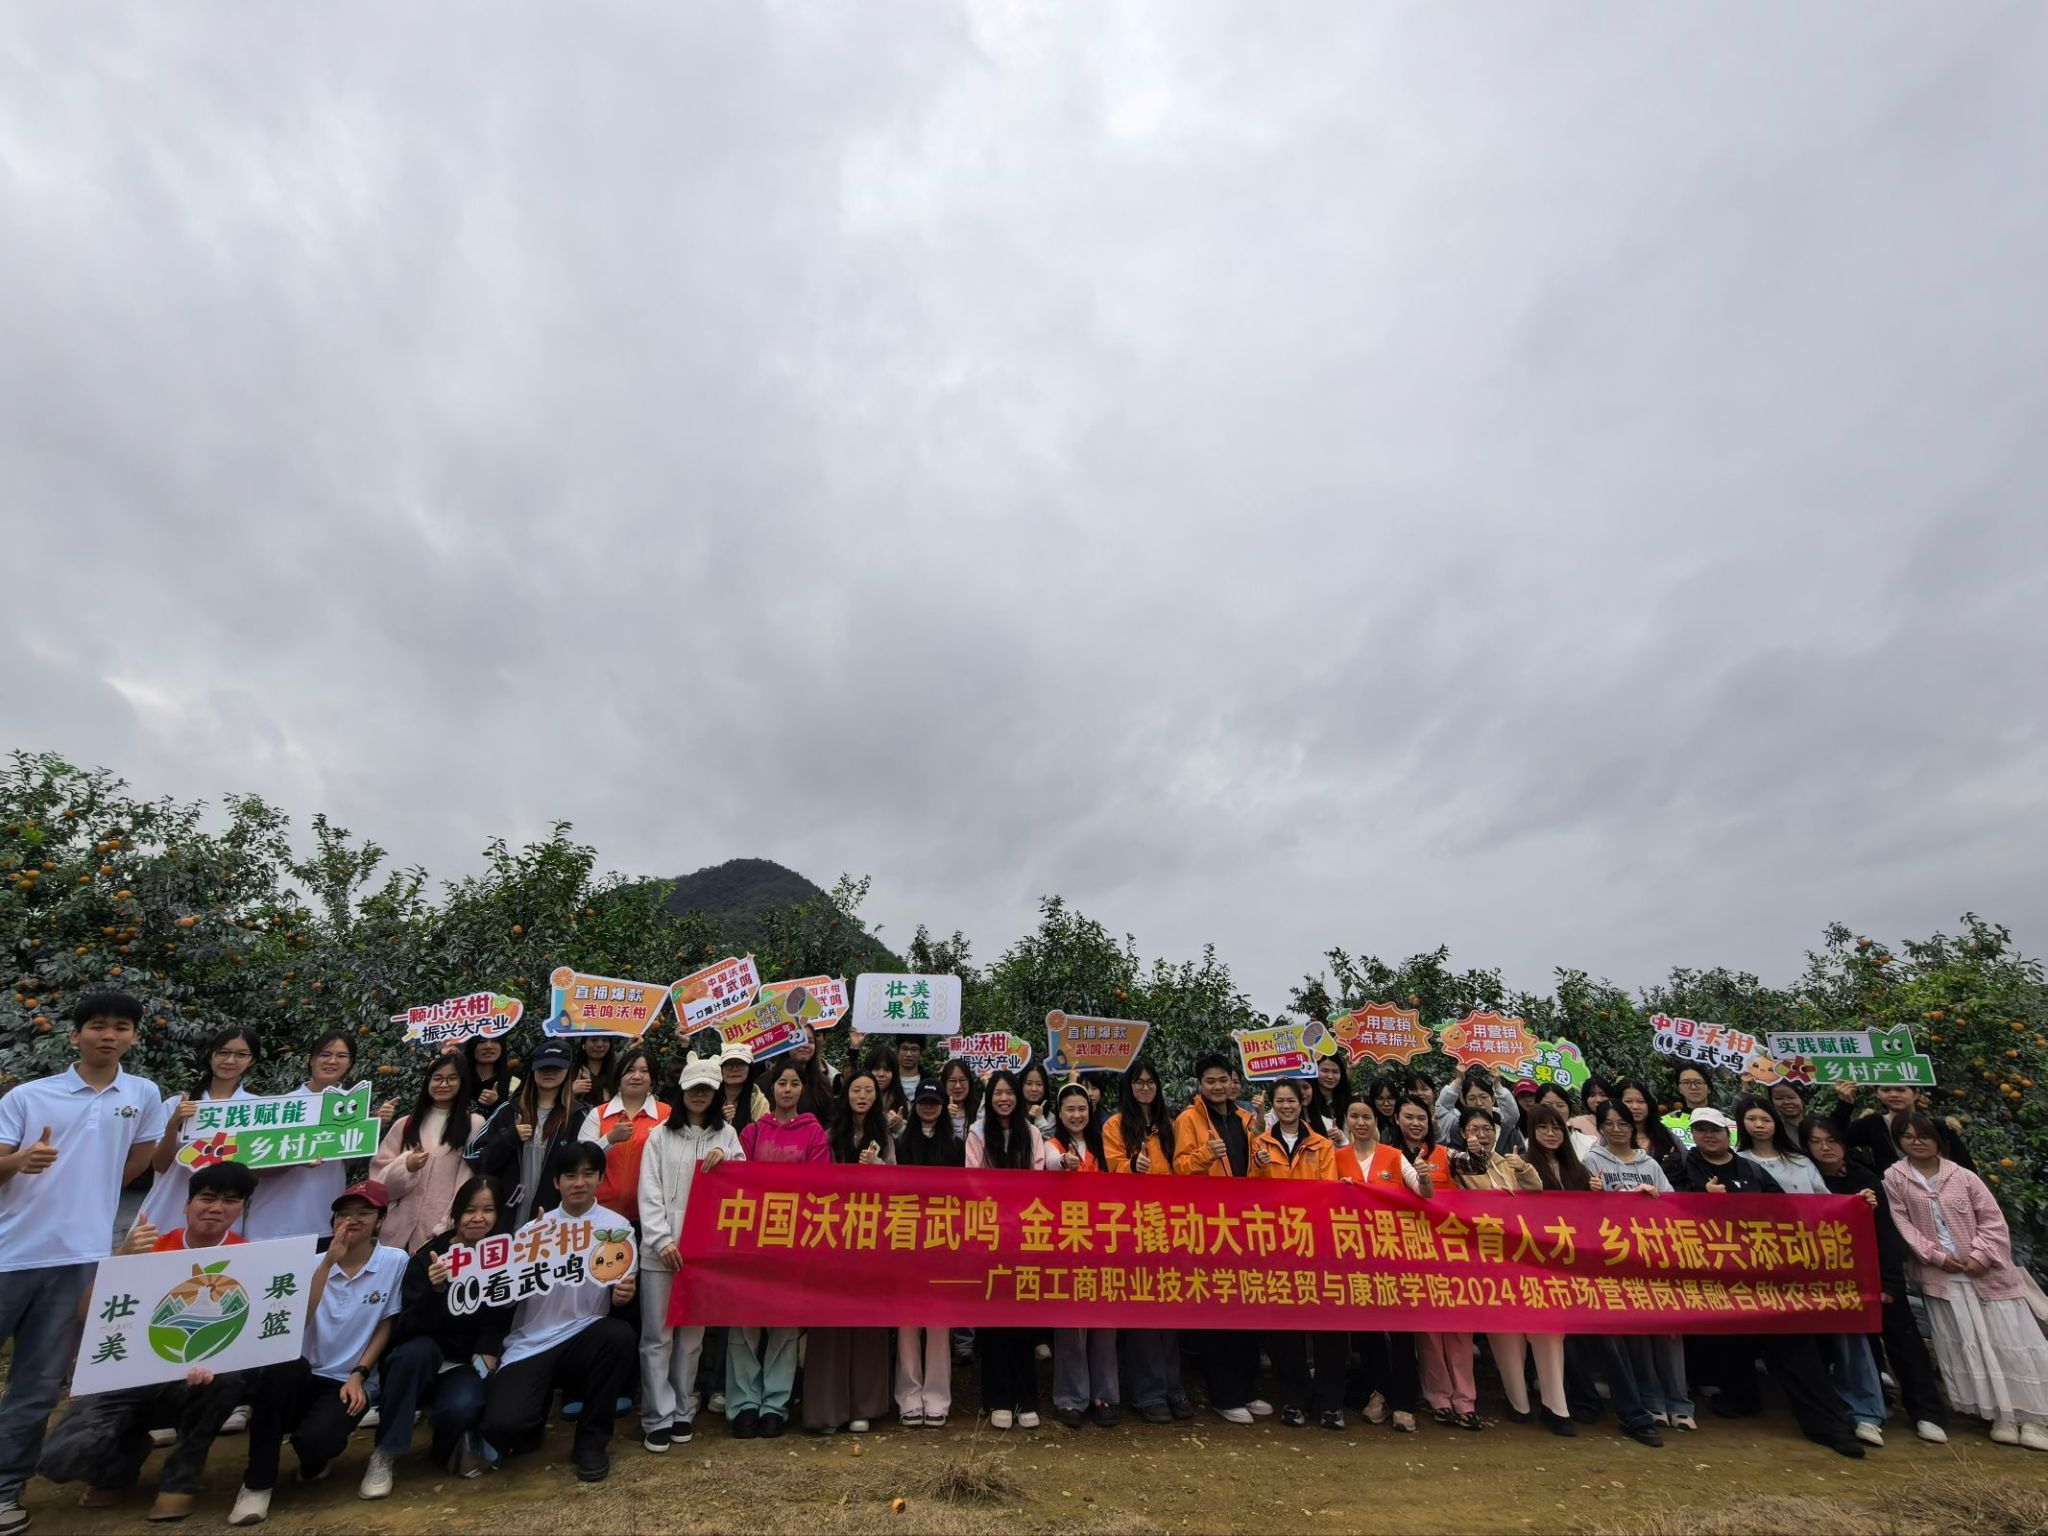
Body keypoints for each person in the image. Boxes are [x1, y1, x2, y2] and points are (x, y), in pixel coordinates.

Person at [0, 990, 169, 1536]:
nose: (108, 1035)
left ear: (133, 1037)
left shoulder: (142, 1094)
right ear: (75, 1034)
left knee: (37, 1384)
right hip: (9, 1254)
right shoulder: (29, 1097)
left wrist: (86, 1186)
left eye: (121, 1027)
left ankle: (4, 1490)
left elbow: (137, 1162)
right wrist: (18, 1161)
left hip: (81, 1258)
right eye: (97, 1025)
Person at [37, 1161, 257, 1522]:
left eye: (231, 1201)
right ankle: (124, 1455)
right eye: (207, 1198)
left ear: (242, 1209)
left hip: (191, 1381)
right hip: (125, 1378)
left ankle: (180, 1481)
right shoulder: (150, 1247)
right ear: (186, 1205)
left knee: (226, 1381)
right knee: (60, 1460)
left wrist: (215, 1361)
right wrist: (121, 1260)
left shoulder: (250, 1258)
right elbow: (86, 1313)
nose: (217, 1208)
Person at [1668, 1108, 1864, 1458]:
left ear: (1727, 1132)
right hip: (1711, 1276)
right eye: (1700, 1129)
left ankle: (1829, 1425)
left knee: (1793, 1346)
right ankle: (1740, 1400)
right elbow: (1664, 1210)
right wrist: (1700, 1199)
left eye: (1715, 1129)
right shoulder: (1681, 1166)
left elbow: (1786, 1213)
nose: (1708, 1135)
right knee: (1732, 1348)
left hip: (1764, 1273)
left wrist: (1855, 1206)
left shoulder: (1751, 1168)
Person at [228, 1181, 408, 1525]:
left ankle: (314, 1460)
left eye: (364, 1213)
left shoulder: (395, 1261)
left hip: (346, 1379)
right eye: (344, 1213)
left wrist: (360, 1373)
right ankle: (257, 1484)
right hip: (301, 1372)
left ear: (380, 1221)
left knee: (316, 1441)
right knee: (280, 1372)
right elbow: (299, 1319)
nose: (352, 1220)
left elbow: (386, 1323)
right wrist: (327, 1264)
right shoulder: (310, 1263)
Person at [1884, 1113, 2048, 1451]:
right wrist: (1936, 1256)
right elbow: (1903, 1225)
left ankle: (2033, 1418)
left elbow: (1992, 1220)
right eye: (1908, 1136)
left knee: (2009, 1341)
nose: (1917, 1142)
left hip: (1987, 1275)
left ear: (1938, 1140)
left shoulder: (1963, 1176)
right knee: (1970, 1344)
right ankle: (2000, 1416)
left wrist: (1980, 1256)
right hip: (1943, 1277)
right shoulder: (1894, 1179)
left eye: (1924, 1135)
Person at [476, 1144, 638, 1482]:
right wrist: (531, 1251)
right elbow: (506, 1299)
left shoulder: (617, 1228)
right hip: (531, 1343)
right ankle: (532, 1416)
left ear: (600, 1178)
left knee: (619, 1336)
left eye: (588, 1174)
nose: (579, 1182)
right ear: (556, 1182)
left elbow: (620, 1289)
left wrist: (623, 1295)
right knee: (505, 1427)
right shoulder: (533, 1231)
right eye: (570, 1175)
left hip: (584, 1336)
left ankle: (591, 1442)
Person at [1801, 1116, 1948, 1445]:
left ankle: (1926, 1412)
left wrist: (1889, 1282)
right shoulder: (1805, 1181)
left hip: (1878, 1275)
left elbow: (1886, 1233)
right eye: (1816, 1142)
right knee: (1855, 1348)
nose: (1825, 1148)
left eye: (1832, 1140)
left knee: (1903, 1341)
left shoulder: (1866, 1178)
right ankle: (1868, 1409)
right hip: (1834, 1281)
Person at [362, 1176, 513, 1496]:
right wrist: (435, 1290)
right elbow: (406, 1326)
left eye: (488, 1210)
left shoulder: (501, 1256)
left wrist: (487, 1349)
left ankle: (445, 1443)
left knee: (462, 1407)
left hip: (463, 1362)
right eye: (470, 1210)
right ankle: (385, 1452)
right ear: (456, 1213)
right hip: (421, 1357)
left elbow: (500, 1317)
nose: (478, 1218)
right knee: (414, 1353)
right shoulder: (428, 1257)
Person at [1448, 1106, 1572, 1435]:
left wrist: (1524, 1169)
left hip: (1527, 1259)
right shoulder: (1457, 1162)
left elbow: (1536, 1192)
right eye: (1474, 1129)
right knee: (1504, 1332)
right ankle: (1518, 1403)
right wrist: (1474, 1155)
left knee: (1547, 1328)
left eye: (1487, 1129)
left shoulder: (1509, 1161)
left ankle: (1556, 1407)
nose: (1482, 1134)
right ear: (1463, 1133)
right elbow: (1458, 1188)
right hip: (1488, 1262)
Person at [728, 1060, 826, 1437]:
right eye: (781, 1083)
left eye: (794, 1083)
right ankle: (744, 1402)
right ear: (771, 1089)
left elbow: (819, 1185)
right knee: (745, 1322)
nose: (787, 1089)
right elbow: (738, 1181)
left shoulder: (814, 1133)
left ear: (803, 1089)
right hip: (752, 1239)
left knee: (784, 1325)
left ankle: (775, 1403)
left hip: (793, 1239)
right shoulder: (752, 1132)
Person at [1173, 1053, 1269, 1425]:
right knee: (1218, 1310)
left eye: (1223, 1080)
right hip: (1210, 1226)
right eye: (1210, 1081)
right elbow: (1180, 1168)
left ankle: (1248, 1389)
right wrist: (1204, 1155)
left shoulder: (1246, 1119)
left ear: (1232, 1081)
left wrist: (1261, 1162)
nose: (1217, 1086)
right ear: (1200, 1084)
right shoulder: (1188, 1119)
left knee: (1248, 1307)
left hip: (1246, 1223)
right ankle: (1224, 1395)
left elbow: (1256, 1169)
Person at [1099, 1058, 1189, 1424]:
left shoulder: (1170, 1124)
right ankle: (1148, 1393)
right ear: (1129, 1086)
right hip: (1134, 1226)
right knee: (1142, 1312)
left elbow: (1183, 1167)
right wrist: (1131, 1166)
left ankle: (1173, 1388)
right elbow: (1112, 1167)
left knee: (1170, 1310)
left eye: (1150, 1081)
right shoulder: (1115, 1125)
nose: (1145, 1087)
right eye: (1138, 1082)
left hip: (1170, 1225)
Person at [1251, 1081, 1344, 1430]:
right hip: (1276, 1245)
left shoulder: (1321, 1144)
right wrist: (1259, 1166)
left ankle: (1331, 1403)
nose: (1286, 1106)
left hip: (1316, 1243)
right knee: (1285, 1328)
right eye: (1280, 1101)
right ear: (1272, 1105)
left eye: (1291, 1100)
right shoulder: (1260, 1144)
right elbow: (1250, 1193)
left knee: (1327, 1327)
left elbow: (1328, 1190)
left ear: (1302, 1102)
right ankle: (1294, 1400)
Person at [805, 1074, 894, 1434]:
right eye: (856, 1090)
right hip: (833, 1234)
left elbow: (898, 1184)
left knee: (868, 1319)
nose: (862, 1096)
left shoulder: (884, 1136)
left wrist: (878, 1167)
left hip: (872, 1237)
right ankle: (829, 1408)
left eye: (869, 1091)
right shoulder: (829, 1135)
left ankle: (864, 1406)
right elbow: (816, 1181)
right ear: (846, 1096)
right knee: (831, 1320)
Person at [1331, 1098, 1426, 1433]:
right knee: (1368, 1330)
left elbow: (1422, 1191)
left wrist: (1425, 1179)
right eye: (1354, 1116)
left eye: (1367, 1117)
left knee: (1401, 1331)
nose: (1360, 1122)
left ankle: (1405, 1402)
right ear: (1346, 1120)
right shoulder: (1336, 1157)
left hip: (1393, 1253)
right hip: (1354, 1256)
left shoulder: (1394, 1156)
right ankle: (1379, 1394)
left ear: (1376, 1121)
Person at [244, 1032, 389, 1242]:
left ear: (350, 1063)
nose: (332, 1061)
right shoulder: (283, 1107)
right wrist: (296, 1158)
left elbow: (349, 1160)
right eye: (325, 1054)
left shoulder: (351, 1106)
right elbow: (254, 1168)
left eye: (341, 1056)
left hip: (323, 1222)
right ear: (311, 1059)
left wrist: (373, 1128)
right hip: (272, 1224)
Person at [967, 1069, 1045, 1429]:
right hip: (991, 1235)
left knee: (1022, 1317)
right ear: (989, 1097)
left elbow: (1038, 1176)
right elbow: (973, 1180)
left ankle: (1025, 1397)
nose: (1004, 1098)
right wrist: (1000, 1213)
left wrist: (1018, 1213)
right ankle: (997, 1398)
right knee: (995, 1317)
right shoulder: (977, 1133)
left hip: (1025, 1234)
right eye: (997, 1093)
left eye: (1009, 1092)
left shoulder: (1032, 1134)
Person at [1042, 1084, 1119, 1430]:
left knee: (1104, 1324)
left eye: (1082, 1109)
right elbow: (1050, 1165)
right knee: (1071, 1325)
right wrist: (1064, 1164)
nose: (1076, 1115)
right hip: (1068, 1245)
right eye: (1070, 1109)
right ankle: (1071, 1397)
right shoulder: (1053, 1146)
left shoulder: (1104, 1146)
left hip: (1103, 1242)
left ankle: (1105, 1394)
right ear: (1059, 1114)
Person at [138, 1025, 260, 1236]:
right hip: (170, 1207)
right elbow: (159, 1165)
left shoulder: (257, 1109)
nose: (230, 1060)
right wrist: (173, 1124)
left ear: (252, 1060)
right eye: (223, 1052)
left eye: (241, 1055)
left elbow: (259, 1166)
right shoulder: (178, 1104)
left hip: (222, 1213)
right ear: (211, 1054)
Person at [893, 1081, 962, 1427]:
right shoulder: (901, 1143)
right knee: (907, 1323)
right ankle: (909, 1397)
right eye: (923, 1101)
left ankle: (937, 1398)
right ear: (915, 1104)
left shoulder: (956, 1145)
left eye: (934, 1101)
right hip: (906, 1239)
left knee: (938, 1324)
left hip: (944, 1241)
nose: (929, 1107)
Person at [369, 1054, 484, 1252]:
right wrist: (406, 1166)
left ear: (462, 1082)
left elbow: (467, 1181)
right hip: (393, 1236)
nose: (443, 1084)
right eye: (437, 1078)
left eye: (452, 1078)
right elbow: (379, 1184)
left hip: (440, 1236)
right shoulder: (404, 1124)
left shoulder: (473, 1124)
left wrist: (447, 1225)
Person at [467, 1040, 591, 1221]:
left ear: (568, 1071)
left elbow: (589, 1167)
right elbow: (473, 1156)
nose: (549, 1072)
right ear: (533, 1069)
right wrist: (509, 1138)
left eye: (556, 1068)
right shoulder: (509, 1110)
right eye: (544, 1067)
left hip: (555, 1217)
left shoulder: (578, 1115)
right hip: (505, 1214)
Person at [581, 1045, 667, 1224]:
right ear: (619, 1077)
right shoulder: (599, 1114)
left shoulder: (666, 1115)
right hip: (598, 1214)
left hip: (648, 1217)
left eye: (644, 1071)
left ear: (652, 1080)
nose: (636, 1076)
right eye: (630, 1070)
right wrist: (609, 1139)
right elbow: (580, 1160)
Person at [1828, 1082, 1974, 1173]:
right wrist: (1844, 1104)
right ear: (1877, 1093)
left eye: (1901, 1090)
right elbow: (1835, 1139)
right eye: (1886, 1090)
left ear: (1916, 1093)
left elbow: (1965, 1167)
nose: (1893, 1095)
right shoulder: (1872, 1124)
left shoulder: (1938, 1127)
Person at [1732, 1094, 1827, 1195]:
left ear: (1776, 1123)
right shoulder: (1736, 1161)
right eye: (1751, 1119)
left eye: (1766, 1120)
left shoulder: (1800, 1161)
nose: (1759, 1125)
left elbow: (1824, 1198)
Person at [1614, 1078, 1682, 1181]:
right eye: (1628, 1101)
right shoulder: (1610, 1138)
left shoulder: (1666, 1135)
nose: (1635, 1106)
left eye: (1641, 1101)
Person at [1392, 1093, 1452, 1185]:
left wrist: (1474, 1151)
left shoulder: (1445, 1154)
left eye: (1421, 1118)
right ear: (1397, 1118)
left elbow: (1472, 1165)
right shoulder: (1386, 1155)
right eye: (1409, 1117)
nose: (1416, 1123)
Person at [462, 1036, 519, 1119]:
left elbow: (514, 1118)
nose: (489, 1046)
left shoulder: (513, 1081)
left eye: (495, 1041)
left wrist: (496, 1102)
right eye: (481, 1041)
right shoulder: (459, 1077)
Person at [862, 1045, 909, 1140]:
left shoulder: (904, 1104)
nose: (881, 1074)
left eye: (887, 1070)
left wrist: (899, 1128)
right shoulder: (856, 1100)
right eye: (876, 1069)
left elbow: (912, 1142)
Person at [715, 1044, 766, 1132]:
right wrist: (718, 1120)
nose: (734, 1069)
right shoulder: (710, 1097)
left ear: (749, 1068)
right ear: (721, 1069)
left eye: (741, 1064)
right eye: (729, 1064)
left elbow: (763, 1134)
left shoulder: (759, 1102)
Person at [1304, 1056, 1355, 1139]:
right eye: (1325, 1071)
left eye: (1335, 1072)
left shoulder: (1345, 1102)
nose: (1330, 1076)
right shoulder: (1307, 1102)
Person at [939, 1058, 981, 1141]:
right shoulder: (937, 1110)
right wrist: (944, 1116)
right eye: (952, 1080)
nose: (958, 1086)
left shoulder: (980, 1110)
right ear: (944, 1083)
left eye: (962, 1080)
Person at [574, 1038, 619, 1107]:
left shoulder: (618, 1073)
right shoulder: (572, 1072)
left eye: (605, 1040)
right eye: (594, 1040)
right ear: (584, 1044)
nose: (599, 1045)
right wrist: (571, 1093)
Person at [1018, 1061, 1056, 1137]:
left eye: (1039, 1084)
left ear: (1045, 1087)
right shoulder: (1013, 1114)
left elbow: (1049, 1141)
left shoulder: (1051, 1118)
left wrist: (1039, 1118)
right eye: (1029, 1083)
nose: (1034, 1089)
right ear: (1021, 1085)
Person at [894, 1036, 927, 1101]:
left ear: (921, 1053)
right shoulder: (888, 1081)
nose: (908, 1054)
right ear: (897, 1051)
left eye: (914, 1049)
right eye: (904, 1049)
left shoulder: (929, 1082)